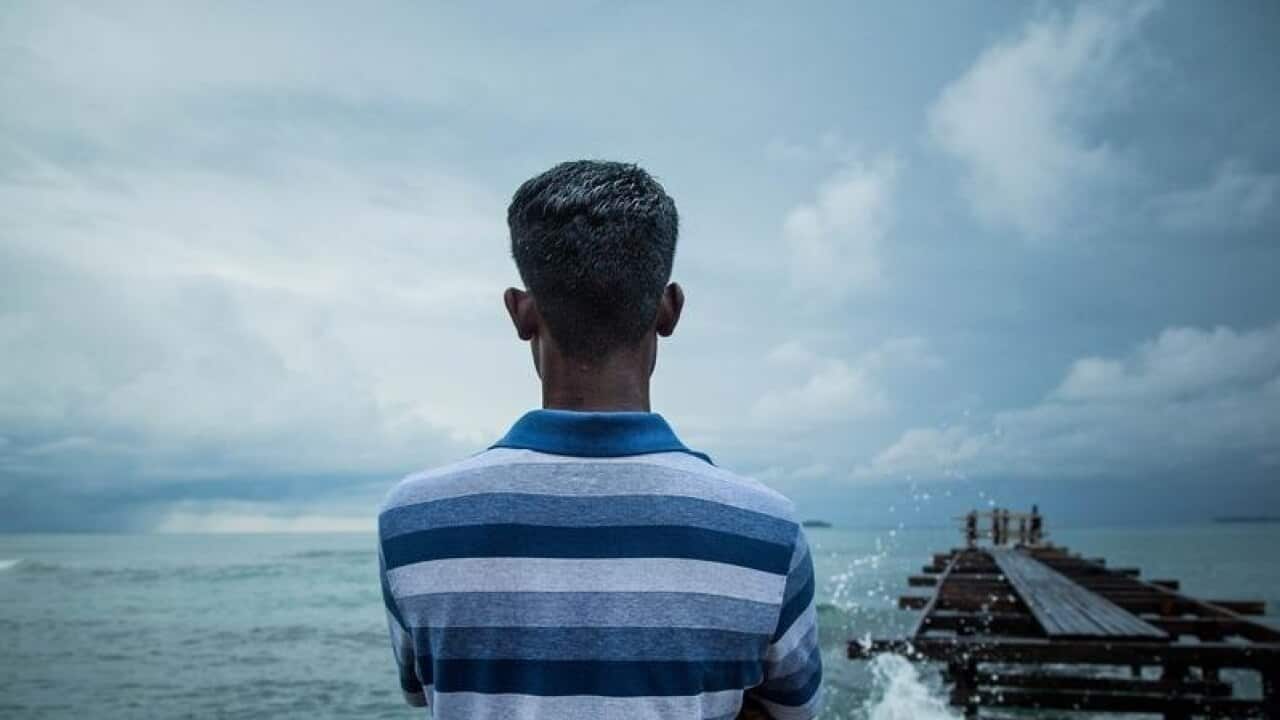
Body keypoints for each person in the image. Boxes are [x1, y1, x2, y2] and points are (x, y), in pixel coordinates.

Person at [377, 160, 823, 719]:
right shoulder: (767, 531)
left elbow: (428, 693)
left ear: (520, 311)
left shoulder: (414, 520)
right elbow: (791, 711)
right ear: (669, 309)